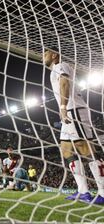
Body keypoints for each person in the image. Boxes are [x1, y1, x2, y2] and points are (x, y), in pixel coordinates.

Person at [43, 47, 104, 204]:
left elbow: (64, 83)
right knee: (66, 149)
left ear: (54, 55)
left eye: (46, 53)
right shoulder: (56, 68)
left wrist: (63, 107)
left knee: (85, 149)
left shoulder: (60, 66)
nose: (43, 56)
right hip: (71, 110)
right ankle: (83, 191)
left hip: (74, 110)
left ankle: (103, 192)